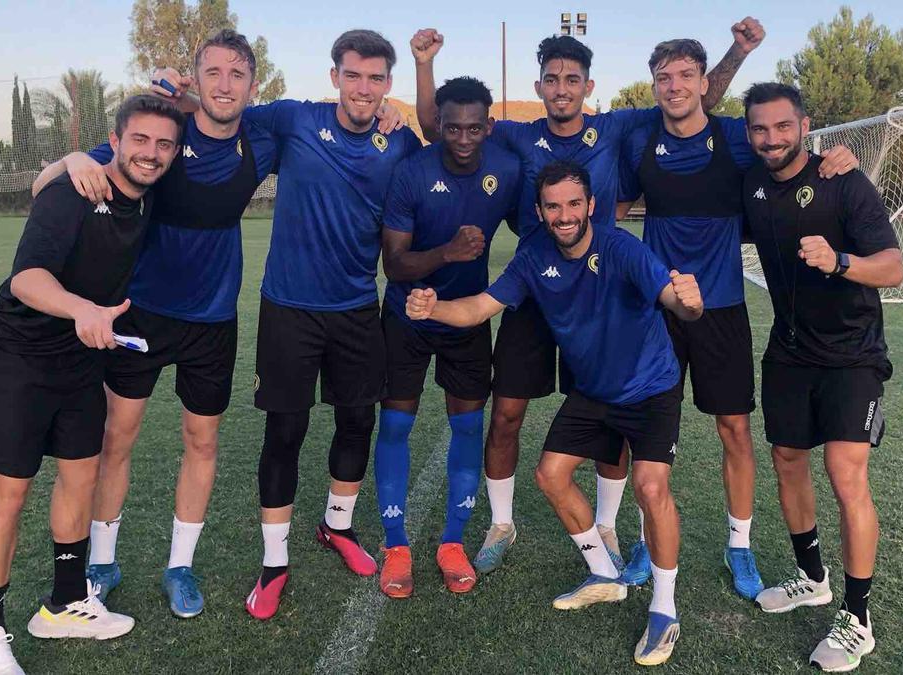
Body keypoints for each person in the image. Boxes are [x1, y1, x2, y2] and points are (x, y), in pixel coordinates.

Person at [409, 20, 763, 576]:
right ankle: (502, 523)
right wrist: (424, 64)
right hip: (535, 287)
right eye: (552, 79)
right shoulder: (517, 135)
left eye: (572, 79)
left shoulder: (617, 128)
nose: (562, 88)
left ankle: (605, 525)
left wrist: (736, 51)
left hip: (599, 290)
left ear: (588, 86)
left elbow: (694, 96)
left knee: (611, 416)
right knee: (507, 413)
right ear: (541, 85)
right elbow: (441, 128)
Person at [405, 161, 699, 666]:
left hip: (650, 388)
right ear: (540, 211)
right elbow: (478, 307)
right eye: (552, 206)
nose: (563, 215)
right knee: (551, 475)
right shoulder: (533, 255)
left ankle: (665, 609)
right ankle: (604, 574)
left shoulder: (621, 248)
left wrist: (688, 302)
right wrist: (433, 308)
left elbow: (674, 298)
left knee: (652, 488)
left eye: (572, 204)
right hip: (595, 391)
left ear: (589, 206)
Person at [30, 29, 279, 620]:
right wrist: (71, 159)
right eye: (213, 72)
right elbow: (45, 184)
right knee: (117, 438)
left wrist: (392, 122)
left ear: (252, 84)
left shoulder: (263, 142)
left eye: (237, 74)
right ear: (197, 78)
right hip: (138, 313)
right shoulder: (162, 135)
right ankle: (103, 562)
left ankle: (179, 566)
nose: (225, 84)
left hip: (213, 322)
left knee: (202, 441)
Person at [616, 38, 860, 598]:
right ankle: (643, 537)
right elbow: (616, 210)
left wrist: (834, 157)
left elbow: (788, 157)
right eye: (663, 76)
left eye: (685, 75)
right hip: (658, 308)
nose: (674, 85)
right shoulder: (641, 140)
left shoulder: (735, 137)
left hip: (722, 308)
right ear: (654, 85)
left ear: (705, 82)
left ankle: (740, 545)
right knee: (646, 429)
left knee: (735, 430)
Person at [0, 95, 184, 675]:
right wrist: (84, 308)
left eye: (163, 144)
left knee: (81, 476)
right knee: (8, 496)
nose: (151, 154)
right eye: (140, 140)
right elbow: (27, 277)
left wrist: (66, 156)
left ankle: (62, 604)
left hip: (81, 361)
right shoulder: (74, 192)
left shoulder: (149, 194)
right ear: (116, 140)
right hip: (18, 359)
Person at [228, 29, 420, 620]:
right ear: (335, 75)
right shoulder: (293, 120)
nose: (364, 88)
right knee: (285, 431)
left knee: (356, 421)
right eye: (353, 75)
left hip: (358, 307)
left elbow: (448, 163)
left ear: (389, 85)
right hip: (289, 307)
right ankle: (274, 563)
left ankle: (336, 527)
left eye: (376, 78)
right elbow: (219, 113)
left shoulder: (402, 143)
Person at [740, 82, 903, 673]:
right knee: (787, 459)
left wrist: (839, 261)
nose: (771, 138)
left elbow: (893, 267)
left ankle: (857, 618)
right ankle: (813, 579)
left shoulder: (845, 181)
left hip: (851, 355)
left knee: (844, 472)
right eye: (760, 129)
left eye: (782, 127)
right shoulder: (752, 187)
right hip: (787, 351)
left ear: (804, 125)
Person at [373, 76, 521, 598]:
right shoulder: (411, 172)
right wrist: (447, 254)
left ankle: (452, 542)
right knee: (394, 425)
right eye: (451, 127)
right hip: (407, 317)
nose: (462, 138)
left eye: (473, 128)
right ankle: (395, 545)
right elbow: (393, 263)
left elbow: (536, 229)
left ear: (489, 127)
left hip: (466, 320)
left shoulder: (506, 168)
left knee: (467, 427)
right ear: (438, 125)